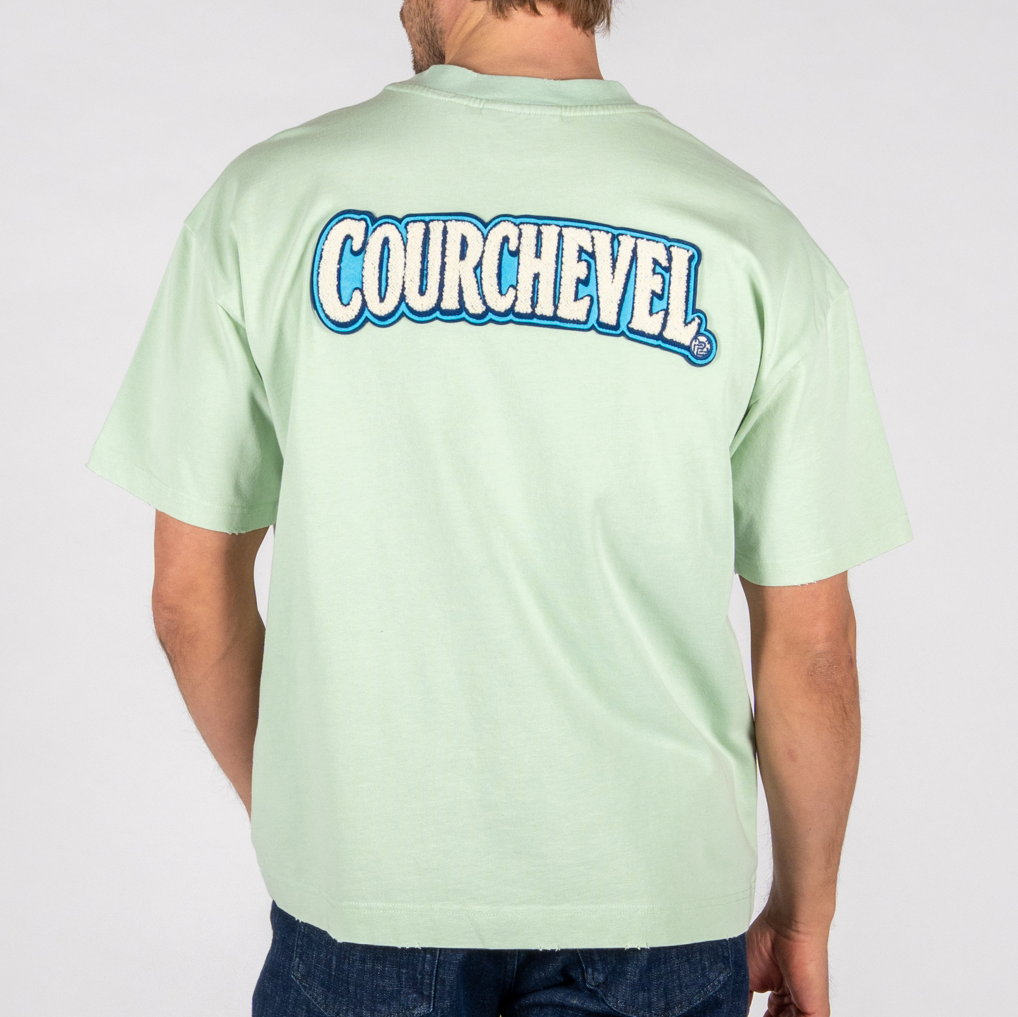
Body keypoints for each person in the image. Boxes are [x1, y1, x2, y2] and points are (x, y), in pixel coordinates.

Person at [87, 1, 912, 1015]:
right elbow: (815, 648)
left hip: (363, 901)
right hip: (653, 903)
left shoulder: (264, 205)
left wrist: (324, 830)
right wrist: (804, 915)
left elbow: (189, 598)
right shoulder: (756, 239)